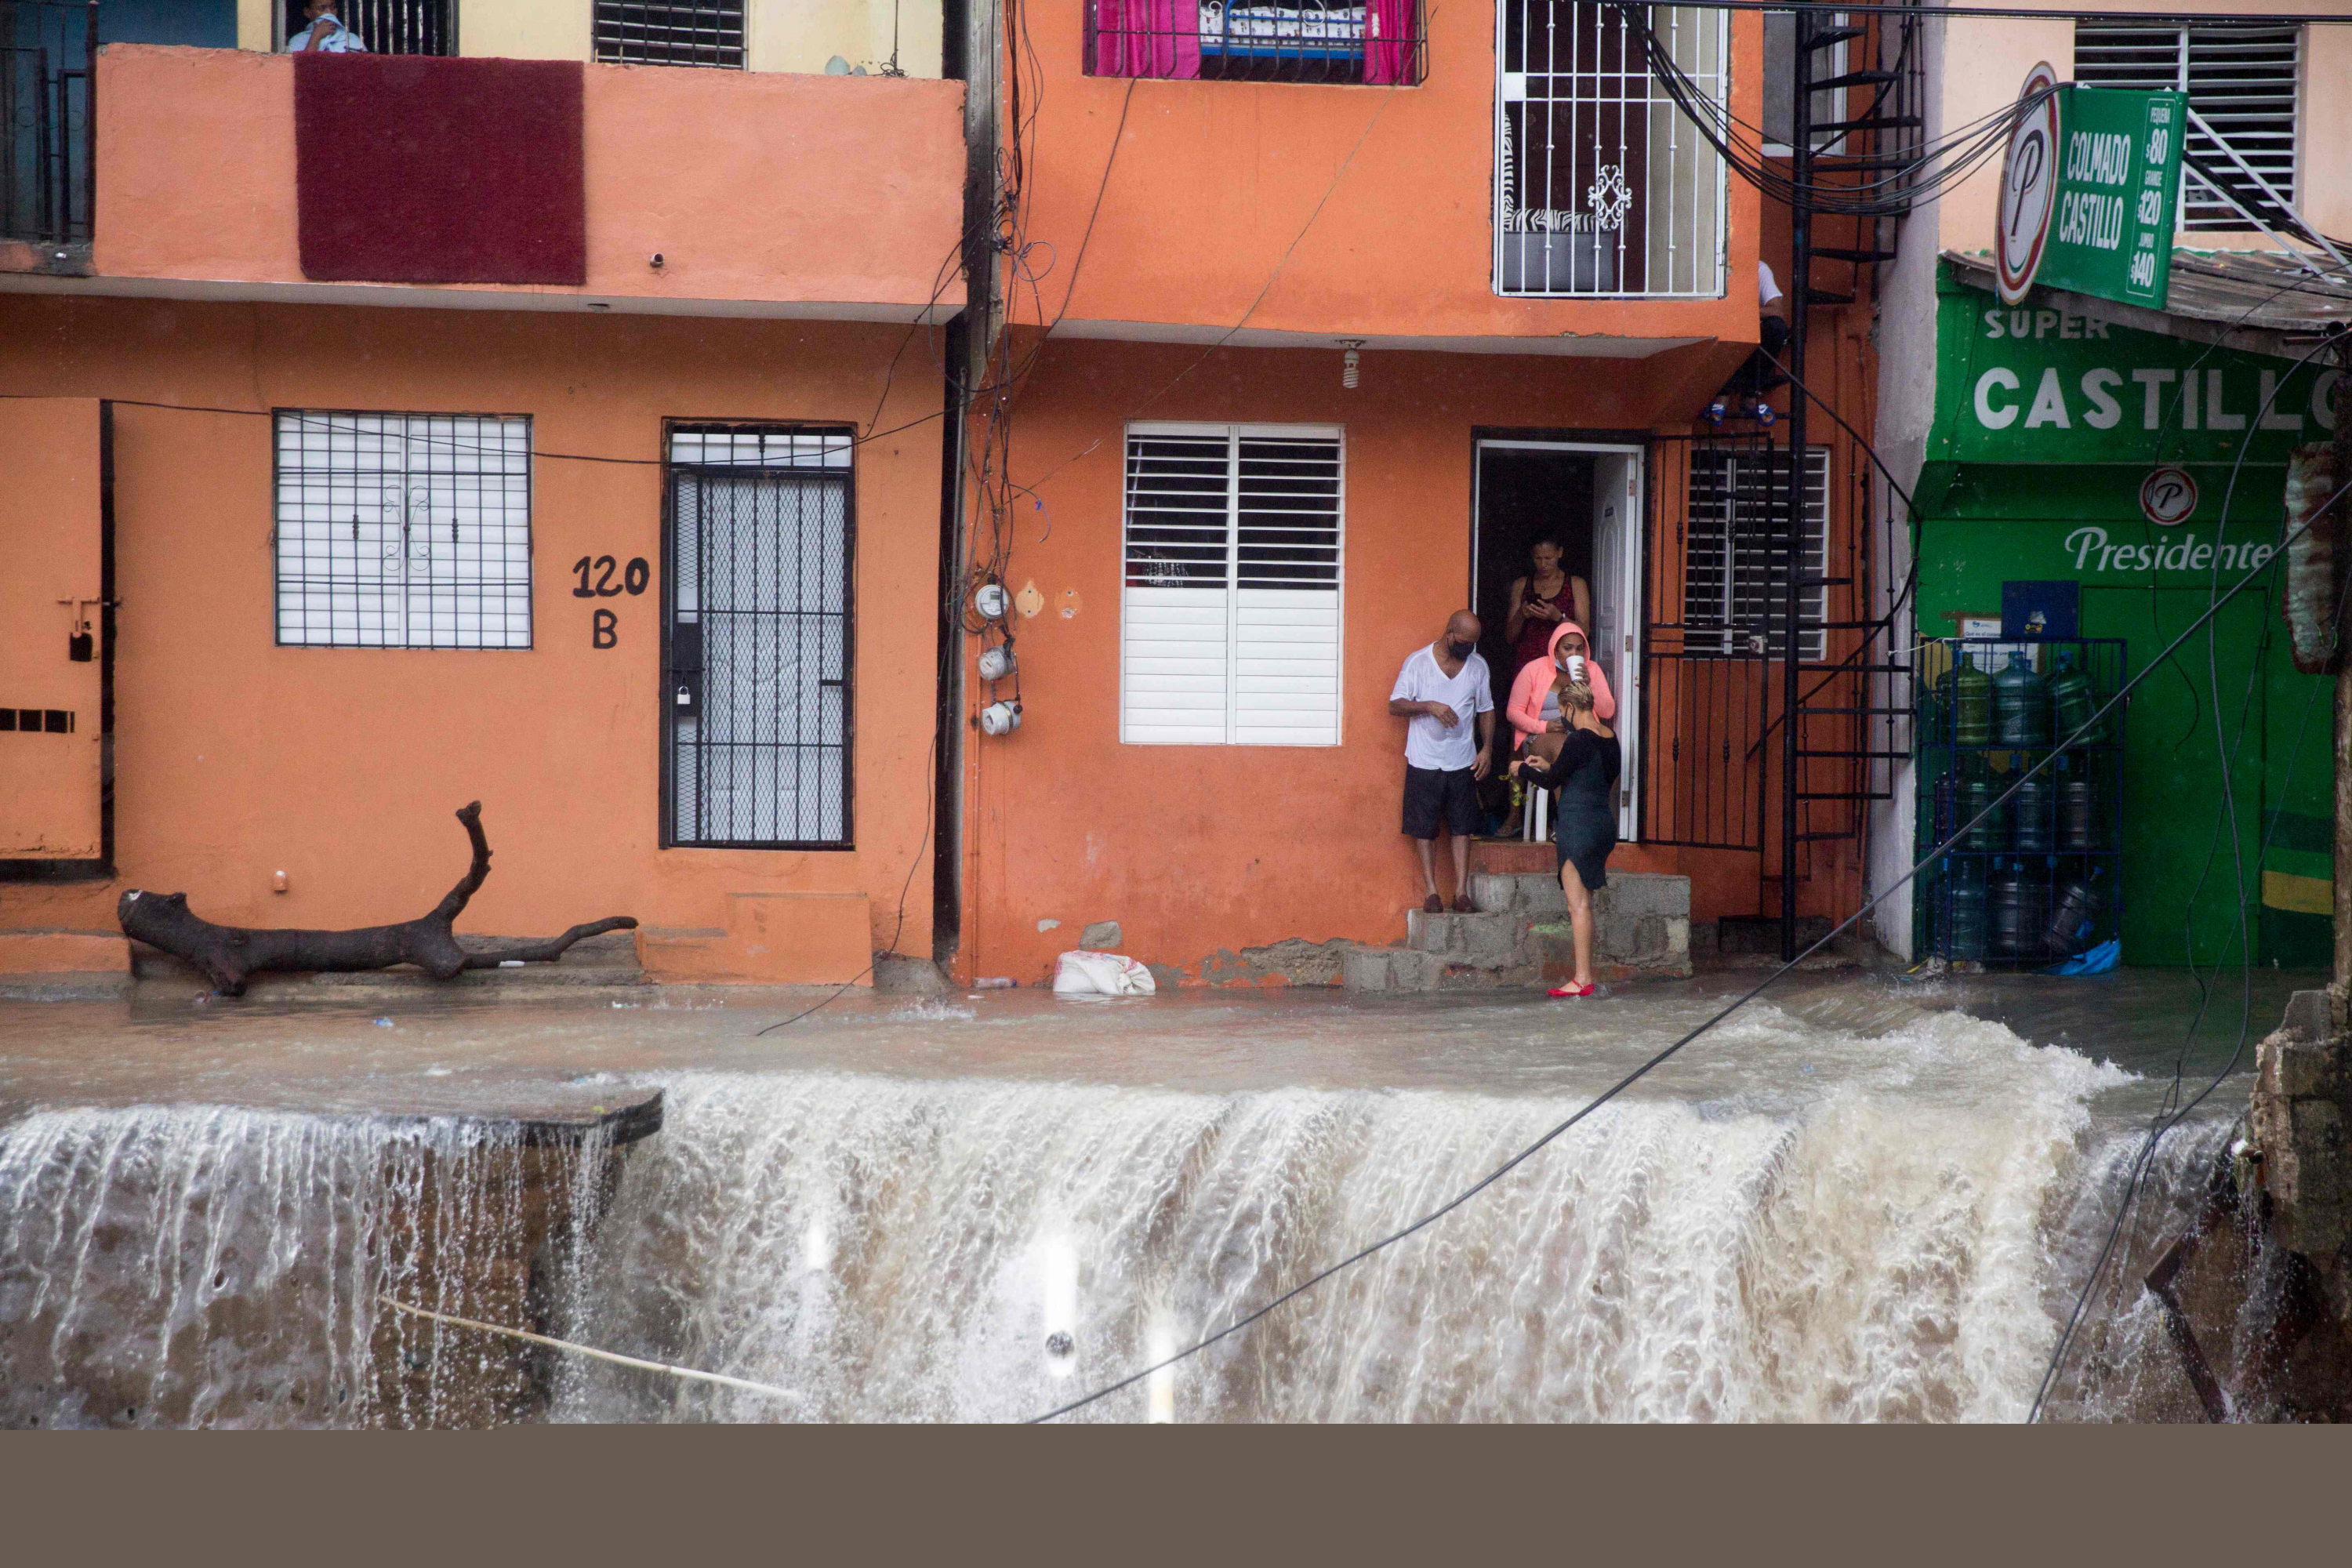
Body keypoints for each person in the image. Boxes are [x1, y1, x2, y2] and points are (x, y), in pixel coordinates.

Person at [1514, 674, 1621, 1000]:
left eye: (1562, 712)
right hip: (1603, 823)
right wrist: (1549, 764)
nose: (1562, 720)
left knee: (1578, 907)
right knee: (1585, 904)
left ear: (1571, 708)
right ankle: (1584, 975)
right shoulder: (1610, 737)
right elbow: (1584, 774)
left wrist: (1522, 769)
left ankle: (1582, 978)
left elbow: (1550, 784)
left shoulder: (1577, 740)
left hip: (1577, 825)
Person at [1388, 611, 1495, 914]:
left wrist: (1486, 748)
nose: (1468, 650)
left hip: (1462, 760)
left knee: (1463, 827)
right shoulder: (1418, 663)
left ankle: (1461, 893)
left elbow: (1486, 709)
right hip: (1424, 760)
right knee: (1425, 828)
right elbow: (1394, 705)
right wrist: (1429, 706)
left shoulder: (1478, 666)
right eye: (1463, 643)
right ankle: (1432, 892)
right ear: (1449, 633)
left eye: (1473, 644)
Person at [1506, 619, 1615, 757]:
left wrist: (1589, 684)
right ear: (1555, 650)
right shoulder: (1533, 669)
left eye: (1579, 649)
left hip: (1581, 735)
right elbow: (1513, 712)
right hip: (1540, 735)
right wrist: (1543, 726)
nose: (1574, 654)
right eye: (1567, 648)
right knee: (1565, 750)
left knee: (1609, 752)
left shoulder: (1591, 669)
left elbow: (1607, 712)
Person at [1501, 537, 1592, 682]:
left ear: (1560, 553)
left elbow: (1585, 631)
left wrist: (1559, 618)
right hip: (1528, 663)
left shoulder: (1575, 584)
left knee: (1564, 704)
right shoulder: (1521, 585)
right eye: (1538, 558)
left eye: (1548, 558)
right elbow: (1510, 637)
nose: (1543, 564)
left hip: (1563, 665)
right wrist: (1521, 615)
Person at [288, 0, 368, 52]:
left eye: (333, 7)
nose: (329, 13)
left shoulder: (350, 39)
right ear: (307, 13)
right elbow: (302, 69)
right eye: (322, 8)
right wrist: (316, 36)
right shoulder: (298, 41)